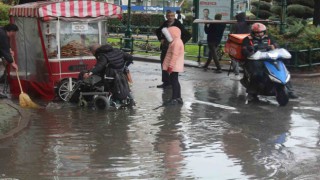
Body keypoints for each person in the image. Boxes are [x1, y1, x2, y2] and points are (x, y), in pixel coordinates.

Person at [241, 23, 298, 101]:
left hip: (269, 58)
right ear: (253, 32)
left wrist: (274, 46)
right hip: (254, 59)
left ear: (264, 32)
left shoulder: (269, 38)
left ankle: (290, 91)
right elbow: (244, 50)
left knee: (283, 70)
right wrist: (250, 51)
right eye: (257, 32)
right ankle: (252, 93)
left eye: (261, 32)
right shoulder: (248, 39)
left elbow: (276, 46)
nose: (259, 34)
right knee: (257, 74)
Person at [155, 11, 191, 88]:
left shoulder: (178, 24)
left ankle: (172, 82)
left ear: (174, 16)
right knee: (164, 64)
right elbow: (158, 31)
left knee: (172, 65)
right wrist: (161, 38)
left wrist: (180, 42)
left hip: (174, 47)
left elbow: (188, 35)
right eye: (169, 16)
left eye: (172, 15)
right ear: (166, 16)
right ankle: (166, 82)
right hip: (165, 47)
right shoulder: (165, 23)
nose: (170, 17)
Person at [162, 27, 184, 105]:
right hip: (175, 65)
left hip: (174, 66)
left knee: (174, 81)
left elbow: (174, 55)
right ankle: (178, 98)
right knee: (175, 81)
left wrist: (170, 66)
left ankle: (174, 99)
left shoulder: (176, 42)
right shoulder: (176, 41)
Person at [0, 23, 19, 98]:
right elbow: (4, 49)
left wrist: (10, 49)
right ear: (11, 31)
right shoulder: (2, 34)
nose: (13, 35)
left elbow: (6, 45)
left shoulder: (3, 31)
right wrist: (12, 63)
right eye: (14, 33)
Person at [230, 11, 251, 77]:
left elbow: (233, 34)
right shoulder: (248, 24)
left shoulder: (236, 24)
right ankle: (246, 72)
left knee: (234, 58)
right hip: (246, 43)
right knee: (245, 58)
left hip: (237, 43)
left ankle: (237, 73)